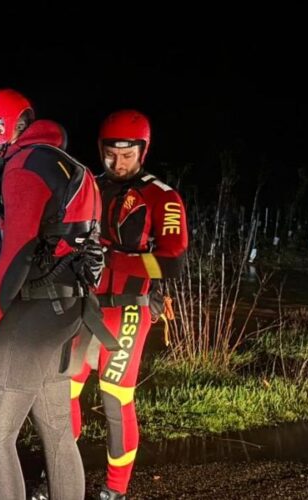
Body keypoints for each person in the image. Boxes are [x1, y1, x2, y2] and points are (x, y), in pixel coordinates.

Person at [0, 89, 109, 500]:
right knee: (58, 430)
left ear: (1, 128)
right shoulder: (71, 166)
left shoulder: (25, 165)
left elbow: (17, 254)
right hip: (69, 311)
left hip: (34, 313)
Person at [67, 110, 189, 500]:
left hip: (129, 310)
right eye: (110, 154)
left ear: (143, 151)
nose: (117, 163)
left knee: (115, 397)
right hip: (83, 307)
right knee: (64, 390)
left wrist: (117, 259)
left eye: (127, 154)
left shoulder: (162, 196)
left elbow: (172, 261)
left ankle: (114, 490)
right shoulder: (88, 186)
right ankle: (62, 474)